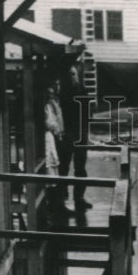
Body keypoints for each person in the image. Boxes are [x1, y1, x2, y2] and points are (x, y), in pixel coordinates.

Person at [60, 65, 92, 212]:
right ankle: (62, 199)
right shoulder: (62, 92)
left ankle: (79, 197)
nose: (72, 77)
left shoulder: (83, 90)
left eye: (73, 74)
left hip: (80, 132)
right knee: (63, 167)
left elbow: (87, 114)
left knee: (80, 167)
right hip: (66, 133)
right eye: (69, 74)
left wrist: (86, 134)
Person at [43, 78, 75, 221]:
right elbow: (49, 122)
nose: (55, 88)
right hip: (53, 138)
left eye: (57, 85)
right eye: (53, 86)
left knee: (61, 171)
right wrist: (57, 132)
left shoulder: (56, 101)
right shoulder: (48, 103)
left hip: (59, 136)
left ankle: (59, 203)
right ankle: (54, 205)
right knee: (53, 172)